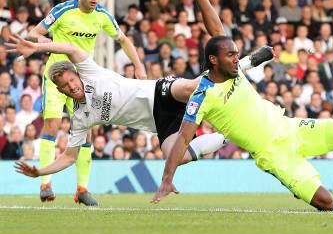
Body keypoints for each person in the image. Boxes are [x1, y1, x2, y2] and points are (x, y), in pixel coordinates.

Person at [151, 0, 333, 212]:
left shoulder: (235, 70)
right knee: (326, 203)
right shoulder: (202, 96)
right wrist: (167, 178)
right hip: (272, 154)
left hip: (291, 128)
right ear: (213, 60)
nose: (236, 59)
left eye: (236, 54)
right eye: (230, 55)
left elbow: (217, 30)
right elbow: (182, 138)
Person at [10, 35, 274, 185]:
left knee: (195, 86)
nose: (71, 87)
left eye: (70, 80)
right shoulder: (80, 118)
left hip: (157, 91)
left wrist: (38, 48)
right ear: (60, 91)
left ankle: (251, 60)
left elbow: (69, 48)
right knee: (175, 156)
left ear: (76, 75)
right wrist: (39, 172)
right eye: (64, 87)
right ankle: (227, 137)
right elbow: (69, 157)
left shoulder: (89, 72)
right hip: (160, 124)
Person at [26, 0, 146, 205]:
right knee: (52, 124)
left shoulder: (102, 15)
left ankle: (82, 189)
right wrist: (51, 45)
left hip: (84, 82)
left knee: (87, 131)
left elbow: (123, 39)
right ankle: (45, 184)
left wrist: (138, 66)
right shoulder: (62, 10)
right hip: (56, 77)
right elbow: (34, 34)